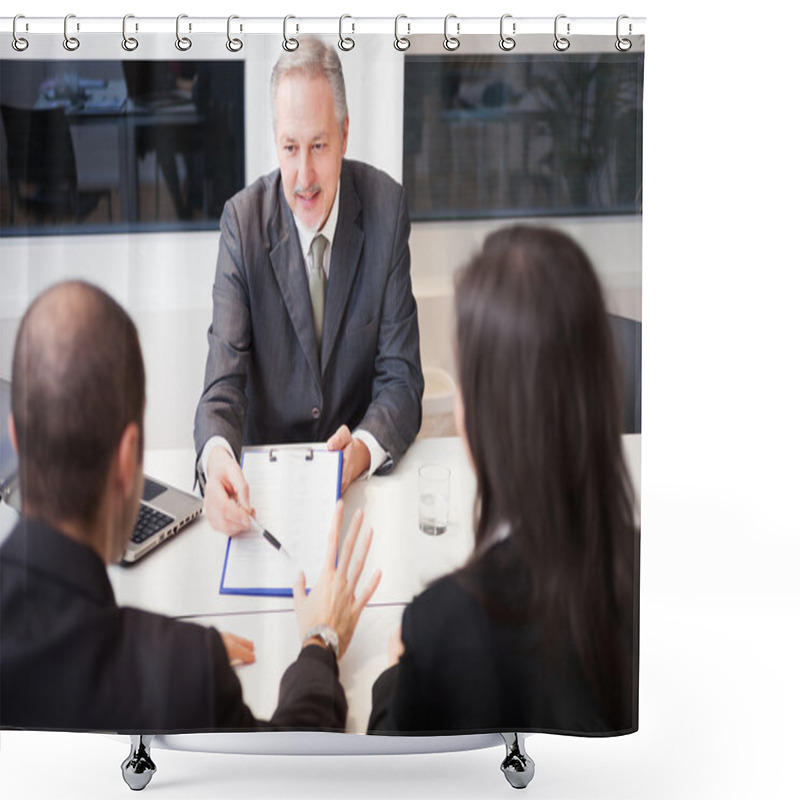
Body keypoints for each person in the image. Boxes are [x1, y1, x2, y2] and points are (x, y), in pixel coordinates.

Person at [0, 281, 380, 732]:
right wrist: (321, 640)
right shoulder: (182, 672)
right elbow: (293, 766)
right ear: (128, 458)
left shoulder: (176, 664)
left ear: (16, 436)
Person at [368, 226, 638, 735]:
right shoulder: (658, 584)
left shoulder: (439, 630)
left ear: (479, 416)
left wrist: (393, 678)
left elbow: (392, 775)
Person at [194, 36, 424, 536]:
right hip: (264, 501)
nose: (303, 176)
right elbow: (221, 390)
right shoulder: (242, 222)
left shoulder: (386, 210)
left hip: (360, 493)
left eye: (319, 146)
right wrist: (216, 466)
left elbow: (402, 382)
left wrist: (360, 452)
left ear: (344, 133)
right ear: (275, 139)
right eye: (290, 147)